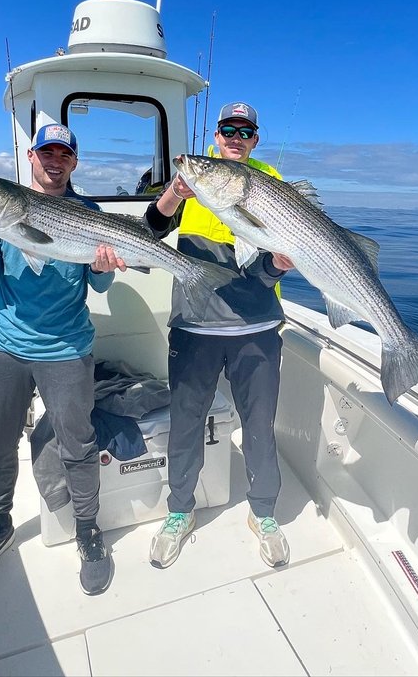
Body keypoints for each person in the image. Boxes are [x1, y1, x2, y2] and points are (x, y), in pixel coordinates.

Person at [0, 123, 127, 596]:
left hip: (67, 348)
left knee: (78, 445)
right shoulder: (3, 210)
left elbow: (97, 286)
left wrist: (101, 267)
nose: (54, 160)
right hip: (5, 346)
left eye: (64, 154)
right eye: (46, 152)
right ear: (30, 157)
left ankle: (88, 531)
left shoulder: (87, 213)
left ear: (74, 163)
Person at [145, 102, 294, 569]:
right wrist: (174, 193)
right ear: (216, 133)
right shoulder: (194, 175)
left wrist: (278, 263)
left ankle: (264, 513)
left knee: (259, 425)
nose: (235, 136)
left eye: (245, 131)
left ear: (254, 141)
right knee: (185, 424)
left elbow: (268, 264)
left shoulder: (274, 185)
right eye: (228, 129)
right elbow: (153, 227)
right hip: (195, 325)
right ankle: (178, 511)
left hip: (258, 326)